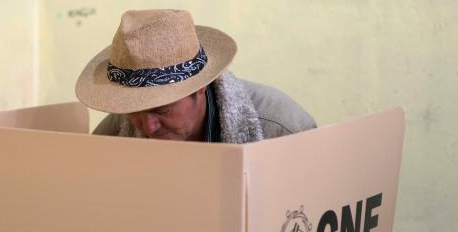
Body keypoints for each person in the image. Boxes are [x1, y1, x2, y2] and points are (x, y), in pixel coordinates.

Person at [75, 9, 316, 143]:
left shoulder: (283, 131)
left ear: (200, 87)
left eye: (162, 109)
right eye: (136, 111)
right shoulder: (115, 134)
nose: (148, 126)